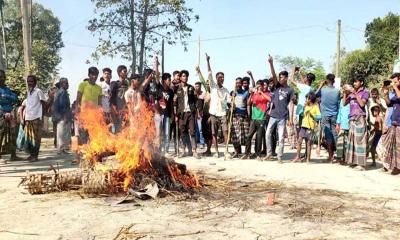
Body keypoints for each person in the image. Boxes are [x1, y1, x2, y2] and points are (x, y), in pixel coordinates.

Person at [265, 55, 295, 163]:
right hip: (273, 115)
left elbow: (291, 104)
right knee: (267, 134)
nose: (280, 78)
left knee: (281, 137)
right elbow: (273, 75)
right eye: (280, 77)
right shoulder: (277, 86)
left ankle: (279, 157)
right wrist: (271, 63)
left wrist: (291, 118)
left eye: (282, 77)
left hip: (283, 116)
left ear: (286, 78)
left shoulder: (290, 90)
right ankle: (269, 154)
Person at [205, 54, 230, 158]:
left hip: (223, 112)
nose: (222, 79)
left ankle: (226, 151)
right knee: (214, 133)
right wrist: (208, 62)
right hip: (214, 113)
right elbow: (209, 73)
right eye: (220, 77)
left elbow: (228, 102)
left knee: (225, 131)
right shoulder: (213, 86)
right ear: (216, 78)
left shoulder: (226, 90)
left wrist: (232, 97)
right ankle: (216, 151)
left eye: (223, 77)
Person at [344, 74, 369, 171]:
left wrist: (355, 93)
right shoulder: (351, 93)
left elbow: (362, 103)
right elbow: (344, 103)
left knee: (360, 140)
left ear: (361, 82)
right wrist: (345, 92)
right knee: (352, 140)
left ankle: (361, 164)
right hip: (352, 118)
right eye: (353, 82)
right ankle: (354, 161)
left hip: (360, 118)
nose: (354, 83)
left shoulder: (365, 92)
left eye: (356, 81)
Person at [241, 80, 271, 160]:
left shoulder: (266, 94)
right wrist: (251, 94)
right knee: (249, 136)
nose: (258, 87)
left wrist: (261, 92)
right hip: (254, 118)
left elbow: (269, 99)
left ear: (262, 86)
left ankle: (258, 154)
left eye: (259, 86)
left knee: (259, 137)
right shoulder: (254, 94)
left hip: (261, 118)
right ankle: (247, 153)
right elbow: (248, 103)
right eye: (257, 86)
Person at [174, 69, 199, 158]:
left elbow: (196, 101)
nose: (185, 78)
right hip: (181, 114)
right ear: (180, 78)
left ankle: (194, 151)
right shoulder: (176, 88)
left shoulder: (191, 88)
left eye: (186, 76)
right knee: (183, 132)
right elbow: (175, 103)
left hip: (190, 112)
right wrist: (176, 115)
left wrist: (197, 113)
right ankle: (183, 150)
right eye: (184, 76)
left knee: (192, 132)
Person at [316, 73, 341, 163]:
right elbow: (338, 104)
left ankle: (330, 156)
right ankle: (339, 156)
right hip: (335, 115)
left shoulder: (323, 90)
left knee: (328, 136)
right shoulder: (337, 91)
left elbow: (313, 95)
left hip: (325, 115)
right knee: (335, 135)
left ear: (327, 80)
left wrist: (320, 85)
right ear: (333, 81)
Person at [379, 73, 400, 174]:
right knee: (393, 147)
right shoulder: (395, 93)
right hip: (394, 123)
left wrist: (395, 87)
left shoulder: (398, 92)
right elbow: (389, 104)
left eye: (395, 81)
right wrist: (386, 93)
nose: (393, 83)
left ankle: (398, 167)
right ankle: (394, 166)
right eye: (393, 82)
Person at [76, 67, 102, 146]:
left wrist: (100, 115)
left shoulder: (99, 88)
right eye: (92, 75)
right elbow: (78, 99)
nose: (94, 77)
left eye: (96, 75)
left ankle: (91, 156)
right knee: (83, 137)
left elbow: (100, 104)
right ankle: (80, 156)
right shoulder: (82, 85)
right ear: (89, 75)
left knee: (93, 138)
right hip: (83, 116)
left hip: (94, 117)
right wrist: (77, 113)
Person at [292, 92, 321, 163]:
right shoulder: (306, 106)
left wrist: (312, 115)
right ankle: (298, 157)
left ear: (310, 99)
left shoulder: (315, 107)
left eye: (307, 98)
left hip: (310, 127)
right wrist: (303, 108)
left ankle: (308, 159)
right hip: (303, 126)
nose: (306, 100)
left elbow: (319, 117)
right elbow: (301, 114)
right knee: (299, 141)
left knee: (308, 143)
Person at [24, 75, 46, 162]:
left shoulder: (38, 91)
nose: (29, 83)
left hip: (36, 118)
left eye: (31, 81)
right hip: (28, 118)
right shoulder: (28, 91)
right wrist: (25, 118)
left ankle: (35, 156)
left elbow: (43, 103)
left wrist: (41, 115)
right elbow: (28, 105)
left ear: (35, 82)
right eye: (28, 81)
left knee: (37, 138)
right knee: (30, 138)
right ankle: (31, 154)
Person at [0, 70, 19, 162]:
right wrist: (3, 113)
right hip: (1, 113)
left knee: (13, 134)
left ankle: (13, 155)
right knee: (1, 134)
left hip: (10, 113)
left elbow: (15, 99)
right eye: (0, 77)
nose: (2, 78)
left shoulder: (7, 89)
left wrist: (7, 96)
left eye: (3, 77)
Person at [230, 77, 250, 158]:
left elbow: (248, 105)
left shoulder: (246, 93)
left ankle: (247, 152)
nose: (238, 84)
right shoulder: (233, 93)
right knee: (235, 135)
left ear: (242, 84)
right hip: (235, 116)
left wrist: (249, 115)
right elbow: (229, 104)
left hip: (244, 116)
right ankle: (237, 152)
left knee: (245, 135)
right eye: (236, 83)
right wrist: (232, 99)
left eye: (239, 83)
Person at [52, 78, 72, 155]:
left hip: (60, 116)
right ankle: (61, 149)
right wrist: (65, 116)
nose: (67, 85)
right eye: (66, 83)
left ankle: (62, 149)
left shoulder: (59, 92)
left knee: (62, 132)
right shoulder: (62, 92)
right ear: (61, 84)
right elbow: (62, 105)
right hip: (63, 116)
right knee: (63, 133)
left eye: (67, 83)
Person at [110, 65, 129, 133]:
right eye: (125, 71)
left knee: (125, 131)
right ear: (120, 73)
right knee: (117, 131)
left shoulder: (127, 84)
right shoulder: (114, 84)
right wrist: (113, 113)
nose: (126, 73)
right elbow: (111, 99)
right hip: (117, 112)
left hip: (126, 112)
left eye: (126, 71)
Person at [335, 84, 351, 164]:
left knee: (347, 143)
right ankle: (340, 157)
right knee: (340, 142)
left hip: (349, 125)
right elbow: (340, 112)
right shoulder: (341, 101)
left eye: (347, 90)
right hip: (342, 125)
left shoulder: (352, 100)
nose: (345, 92)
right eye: (344, 90)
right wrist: (338, 123)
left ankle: (346, 158)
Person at [194, 81, 205, 149]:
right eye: (196, 86)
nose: (197, 87)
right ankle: (196, 141)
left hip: (201, 114)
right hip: (194, 114)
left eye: (198, 86)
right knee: (195, 129)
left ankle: (202, 142)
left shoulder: (203, 94)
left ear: (200, 87)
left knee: (200, 129)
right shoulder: (193, 94)